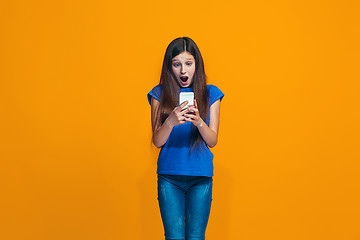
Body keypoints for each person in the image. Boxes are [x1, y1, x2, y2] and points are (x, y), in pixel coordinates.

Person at [147, 37, 224, 240]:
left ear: (196, 65)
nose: (183, 71)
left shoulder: (210, 94)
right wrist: (171, 121)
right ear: (169, 66)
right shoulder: (159, 94)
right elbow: (157, 140)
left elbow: (212, 140)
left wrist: (199, 121)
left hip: (200, 177)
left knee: (196, 237)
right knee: (173, 237)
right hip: (169, 177)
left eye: (188, 63)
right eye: (177, 64)